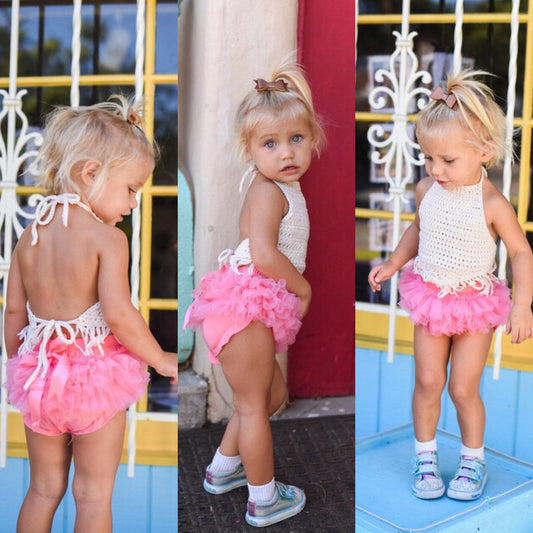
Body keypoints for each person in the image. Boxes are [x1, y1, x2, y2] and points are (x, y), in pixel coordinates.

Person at [5, 95, 178, 532]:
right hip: (94, 381)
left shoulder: (30, 236)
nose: (134, 203)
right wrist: (160, 359)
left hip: (40, 380)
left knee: (43, 489)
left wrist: (18, 366)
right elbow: (119, 315)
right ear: (91, 174)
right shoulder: (107, 239)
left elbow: (12, 314)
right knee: (93, 494)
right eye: (131, 189)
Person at [368, 69, 533, 502]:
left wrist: (522, 305)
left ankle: (472, 461)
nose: (436, 170)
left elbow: (520, 253)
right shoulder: (427, 189)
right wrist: (394, 262)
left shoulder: (493, 202)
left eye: (448, 161)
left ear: (484, 151)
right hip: (431, 296)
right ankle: (425, 458)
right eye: (429, 159)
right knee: (426, 382)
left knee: (462, 388)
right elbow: (418, 230)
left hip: (476, 303)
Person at [183, 58, 325, 527]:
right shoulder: (267, 191)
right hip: (244, 308)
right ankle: (264, 498)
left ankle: (224, 470)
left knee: (270, 396)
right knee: (253, 405)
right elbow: (263, 254)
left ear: (312, 139)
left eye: (296, 139)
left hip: (251, 308)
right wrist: (302, 288)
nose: (286, 152)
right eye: (271, 143)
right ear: (251, 149)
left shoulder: (287, 187)